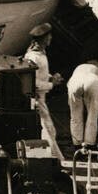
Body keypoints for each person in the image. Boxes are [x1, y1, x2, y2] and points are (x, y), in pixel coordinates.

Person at [22, 23, 62, 153]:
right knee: (46, 131)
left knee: (49, 130)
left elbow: (41, 75)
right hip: (37, 99)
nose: (50, 38)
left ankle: (51, 158)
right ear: (44, 38)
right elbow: (32, 83)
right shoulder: (33, 57)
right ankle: (53, 160)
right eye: (49, 36)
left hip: (41, 99)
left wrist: (51, 78)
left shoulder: (40, 54)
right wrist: (52, 84)